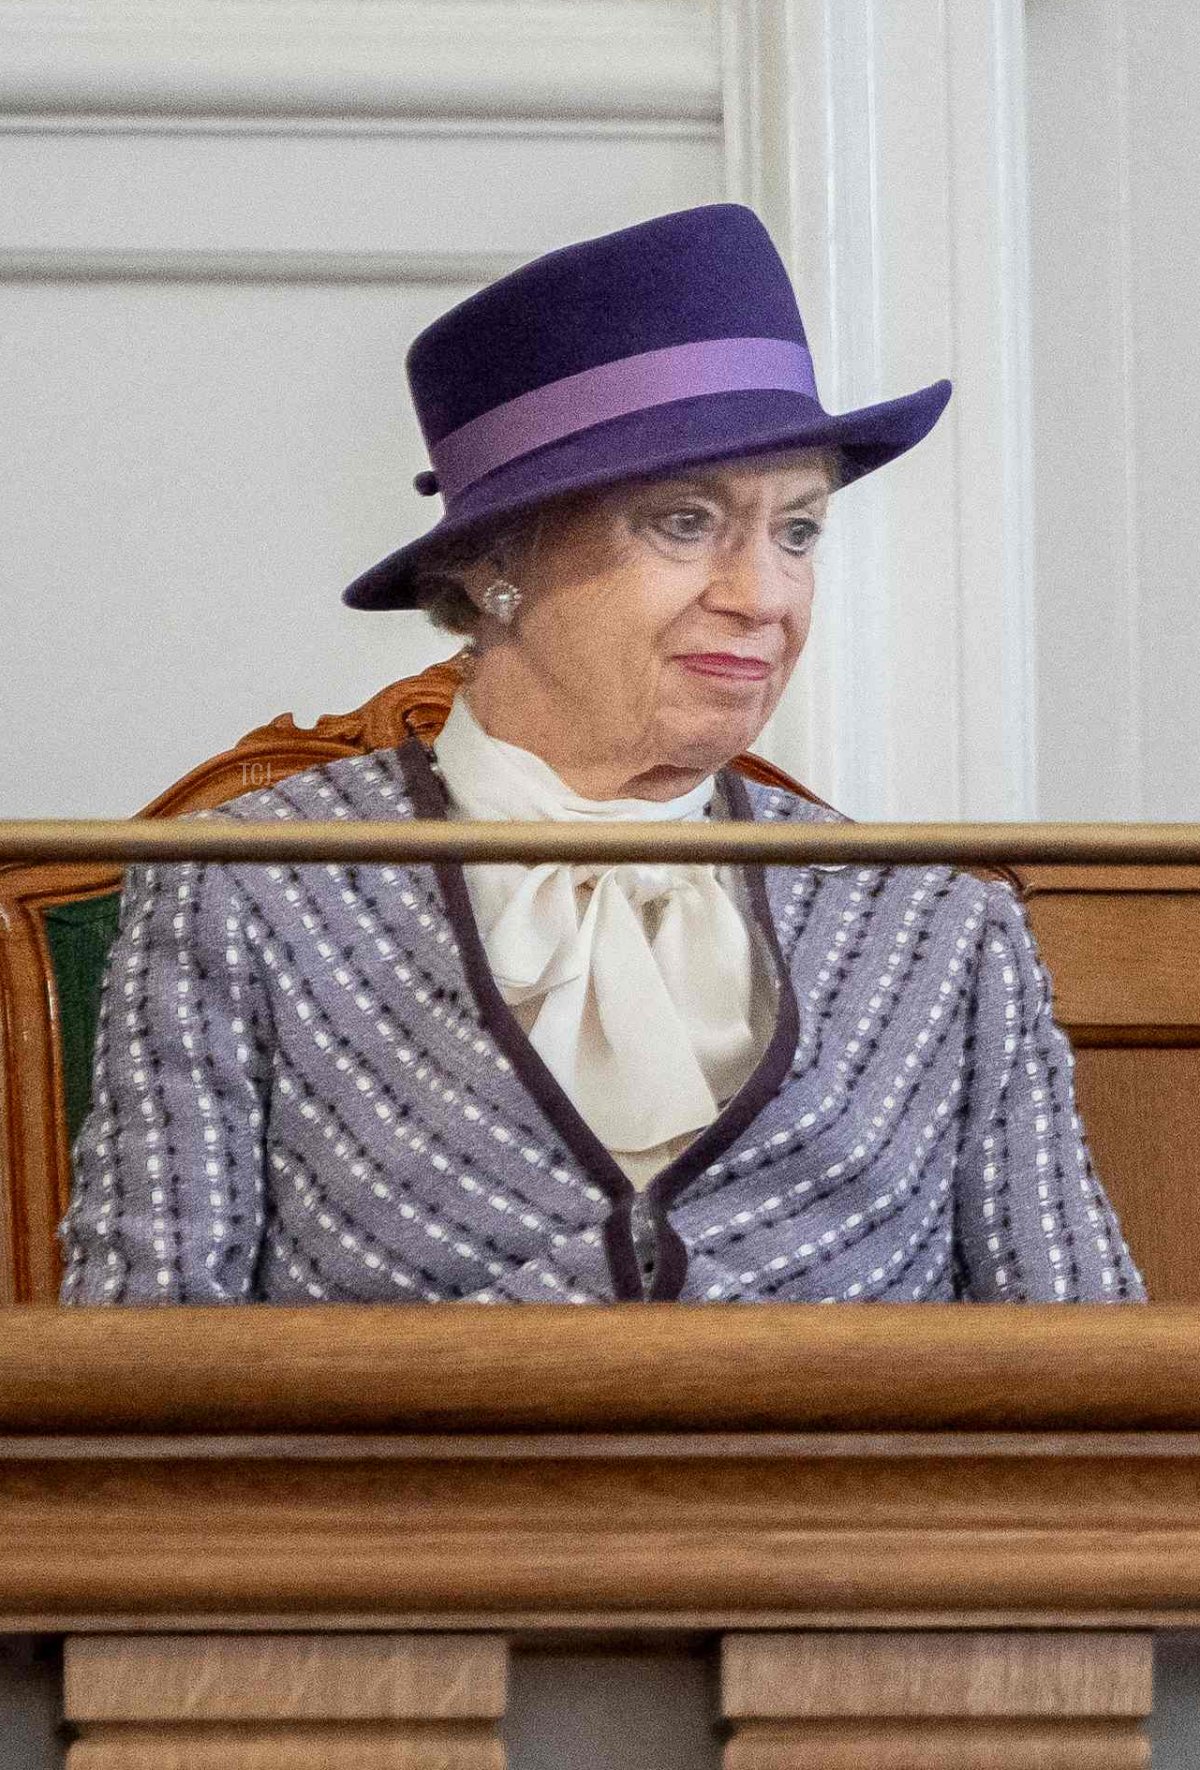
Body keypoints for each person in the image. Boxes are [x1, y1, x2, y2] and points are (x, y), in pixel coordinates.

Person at [58, 203, 1147, 1305]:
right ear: (494, 565)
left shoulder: (938, 932)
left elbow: (1102, 1386)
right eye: (684, 522)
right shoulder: (250, 894)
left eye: (798, 531)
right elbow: (127, 1390)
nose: (764, 595)